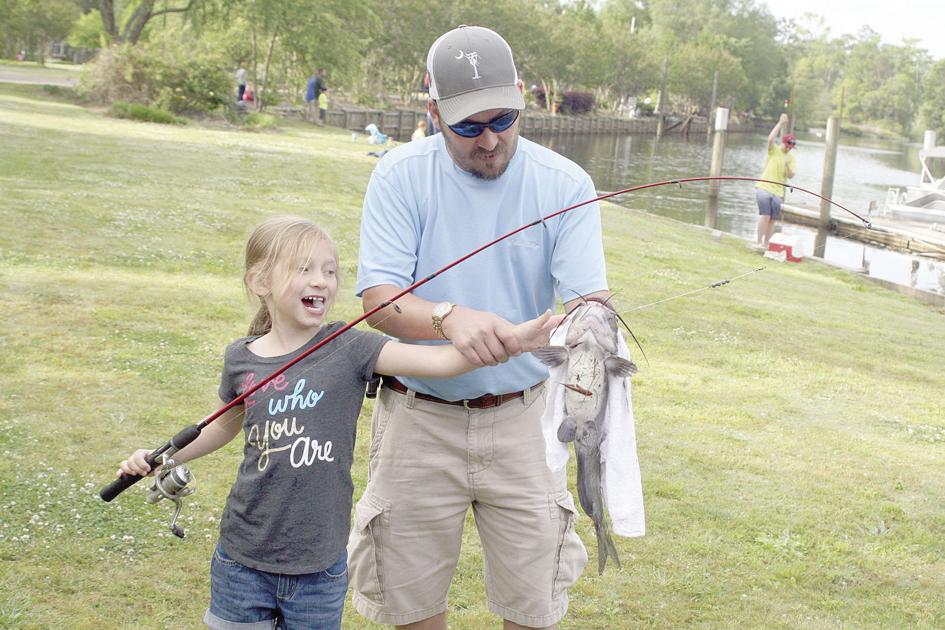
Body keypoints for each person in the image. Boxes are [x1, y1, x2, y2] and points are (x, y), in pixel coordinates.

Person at [116, 215, 557, 630]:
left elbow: (439, 361)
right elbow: (223, 423)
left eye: (330, 271)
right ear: (260, 282)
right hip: (242, 557)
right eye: (304, 269)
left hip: (319, 567)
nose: (321, 281)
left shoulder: (351, 348)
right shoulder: (242, 357)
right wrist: (163, 456)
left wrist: (514, 342)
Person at [351, 25, 609, 630]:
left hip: (525, 422)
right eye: (468, 126)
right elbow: (377, 301)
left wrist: (590, 323)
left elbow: (587, 307)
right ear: (434, 110)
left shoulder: (567, 185)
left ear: (521, 95)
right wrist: (448, 318)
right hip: (417, 418)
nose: (489, 140)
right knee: (408, 608)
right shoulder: (399, 175)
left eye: (504, 118)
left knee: (533, 606)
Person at [755, 113, 797, 247]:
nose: (789, 148)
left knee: (772, 219)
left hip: (778, 192)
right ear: (783, 143)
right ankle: (758, 242)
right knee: (765, 215)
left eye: (791, 147)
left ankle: (766, 244)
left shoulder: (791, 159)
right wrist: (780, 123)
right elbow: (770, 139)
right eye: (788, 145)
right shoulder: (774, 150)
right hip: (764, 188)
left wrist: (786, 165)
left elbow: (791, 175)